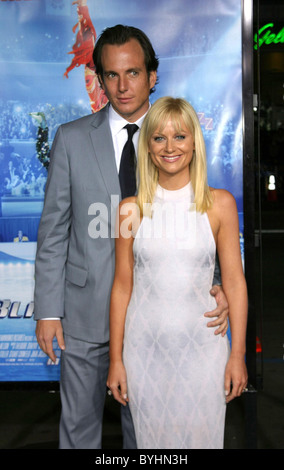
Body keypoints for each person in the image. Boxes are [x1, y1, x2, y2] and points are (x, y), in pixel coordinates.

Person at [34, 25, 229, 450]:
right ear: (100, 79)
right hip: (84, 315)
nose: (123, 86)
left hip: (157, 319)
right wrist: (47, 309)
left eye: (134, 73)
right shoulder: (70, 139)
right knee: (79, 432)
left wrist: (215, 282)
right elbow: (52, 233)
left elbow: (200, 216)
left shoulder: (173, 138)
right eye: (111, 75)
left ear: (153, 76)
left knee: (148, 436)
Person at [107, 97, 248, 449]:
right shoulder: (129, 210)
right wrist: (115, 361)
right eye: (159, 138)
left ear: (194, 142)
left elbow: (234, 282)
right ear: (148, 146)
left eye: (180, 136)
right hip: (144, 353)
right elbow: (122, 287)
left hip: (203, 352)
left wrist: (237, 355)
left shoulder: (221, 204)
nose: (170, 147)